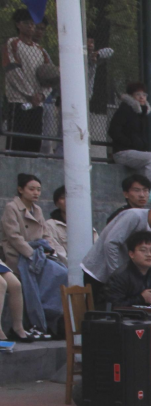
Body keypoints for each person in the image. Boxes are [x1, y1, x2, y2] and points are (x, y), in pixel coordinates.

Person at [80, 190, 151, 303]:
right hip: (98, 271)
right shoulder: (134, 216)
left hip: (120, 278)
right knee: (100, 309)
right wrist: (118, 276)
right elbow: (110, 243)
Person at [3, 9, 52, 153]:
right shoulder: (12, 43)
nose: (31, 26)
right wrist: (30, 94)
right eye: (26, 23)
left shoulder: (40, 50)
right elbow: (13, 71)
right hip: (18, 101)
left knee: (33, 145)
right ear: (18, 25)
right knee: (16, 144)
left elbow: (51, 78)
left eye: (32, 23)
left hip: (37, 104)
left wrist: (41, 95)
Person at [108, 82, 151, 190]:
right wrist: (130, 142)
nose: (142, 97)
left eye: (144, 95)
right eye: (138, 94)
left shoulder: (143, 113)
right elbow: (113, 131)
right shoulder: (124, 110)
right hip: (122, 152)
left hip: (138, 153)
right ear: (131, 96)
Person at [102, 229, 151, 310]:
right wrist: (141, 298)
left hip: (143, 315)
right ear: (131, 254)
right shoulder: (120, 276)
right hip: (121, 317)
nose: (149, 254)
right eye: (143, 250)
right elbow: (113, 306)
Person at [2, 172, 46, 270]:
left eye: (38, 190)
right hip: (18, 254)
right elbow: (13, 236)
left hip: (39, 252)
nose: (36, 193)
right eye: (31, 189)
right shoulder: (12, 207)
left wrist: (52, 251)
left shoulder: (37, 209)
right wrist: (32, 254)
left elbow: (46, 232)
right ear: (20, 190)